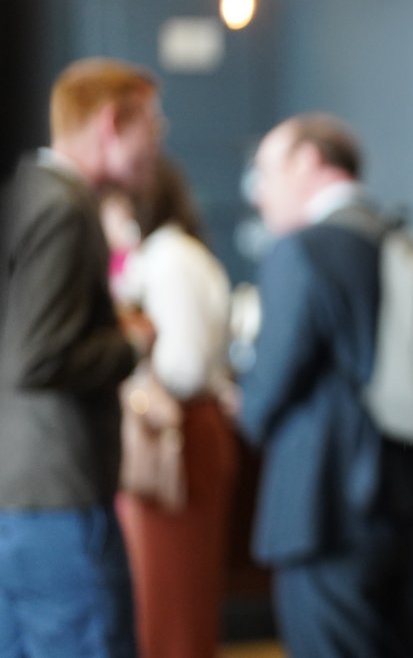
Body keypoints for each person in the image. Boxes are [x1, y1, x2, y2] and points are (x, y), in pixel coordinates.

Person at [238, 113, 413, 658]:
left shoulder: (301, 250)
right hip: (412, 492)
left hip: (323, 506)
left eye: (266, 172)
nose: (260, 194)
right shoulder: (397, 234)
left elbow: (267, 393)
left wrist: (244, 405)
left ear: (308, 160)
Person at [0, 57, 162, 658]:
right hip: (59, 501)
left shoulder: (24, 194)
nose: (158, 146)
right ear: (111, 122)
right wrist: (134, 340)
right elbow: (38, 357)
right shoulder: (64, 207)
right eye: (153, 126)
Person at [109, 156, 239, 658]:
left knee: (169, 608)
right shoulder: (173, 253)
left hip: (174, 439)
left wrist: (132, 362)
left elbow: (182, 368)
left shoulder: (168, 258)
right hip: (178, 433)